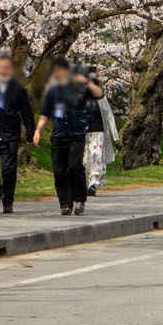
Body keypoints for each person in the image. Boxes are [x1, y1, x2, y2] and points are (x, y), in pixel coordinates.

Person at [33, 58, 102, 215]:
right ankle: (65, 203)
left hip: (76, 134)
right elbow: (45, 115)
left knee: (74, 165)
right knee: (59, 170)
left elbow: (98, 94)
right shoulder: (52, 92)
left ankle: (79, 200)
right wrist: (37, 131)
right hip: (58, 135)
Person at [0, 54, 33, 214]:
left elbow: (27, 113)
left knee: (9, 170)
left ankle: (8, 201)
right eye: (0, 68)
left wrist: (30, 132)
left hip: (9, 134)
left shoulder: (18, 90)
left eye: (6, 68)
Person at [82, 68, 119, 195]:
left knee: (96, 156)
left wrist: (115, 136)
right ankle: (86, 182)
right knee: (86, 158)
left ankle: (94, 183)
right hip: (82, 132)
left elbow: (109, 115)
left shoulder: (100, 96)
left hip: (98, 131)